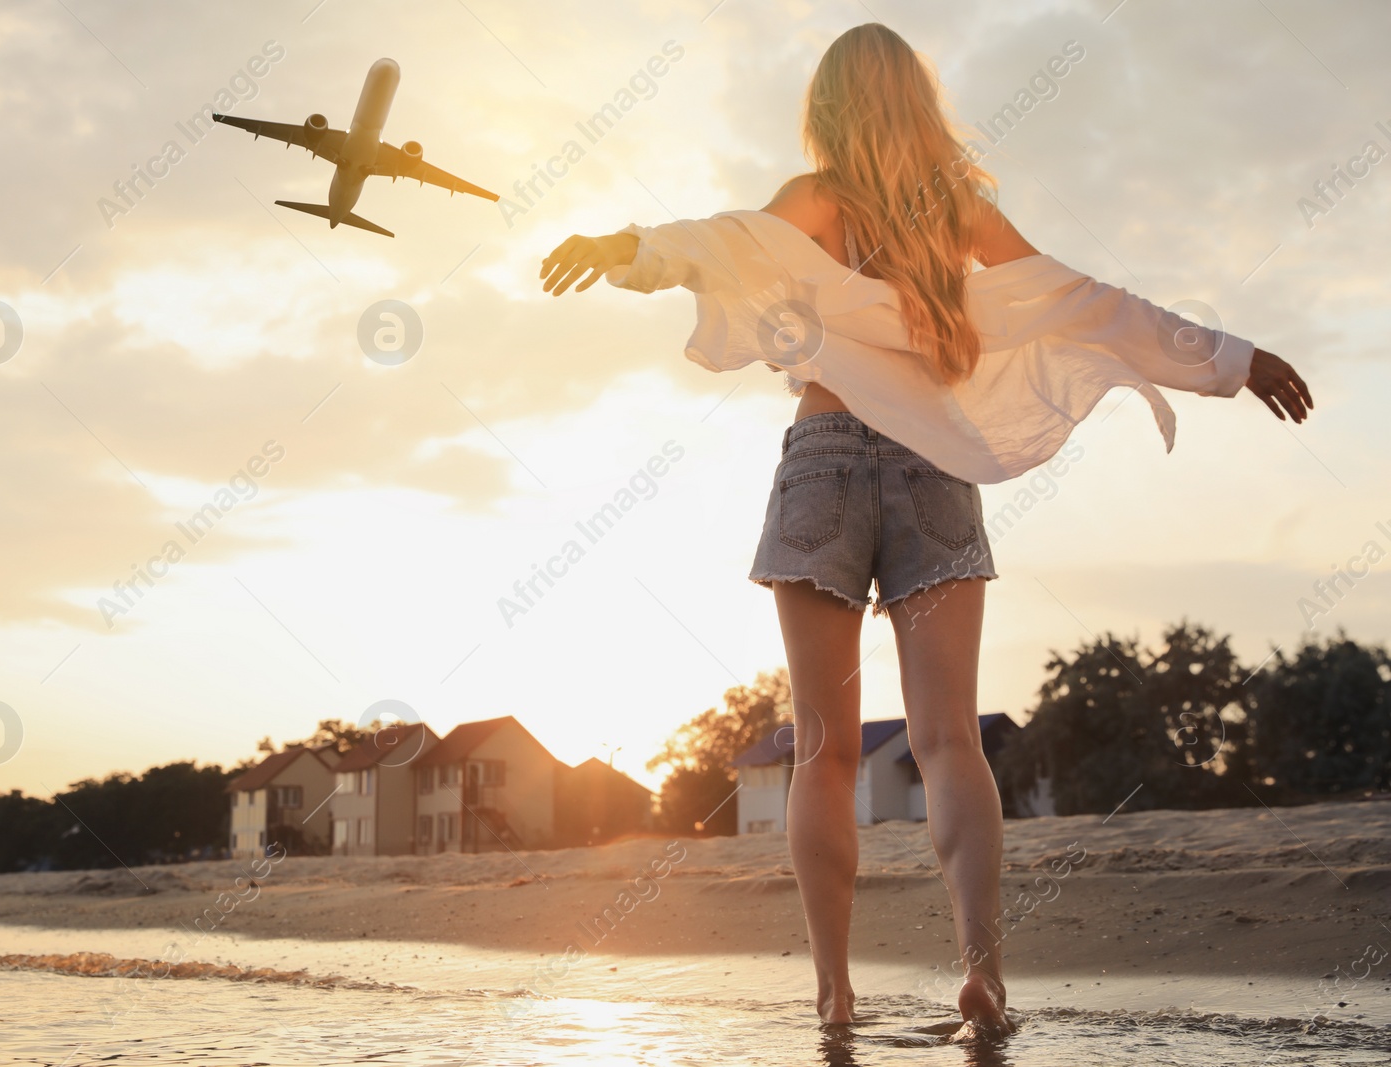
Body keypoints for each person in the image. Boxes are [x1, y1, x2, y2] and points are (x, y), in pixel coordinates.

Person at [538, 23, 1312, 1039]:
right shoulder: (956, 210)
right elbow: (1084, 302)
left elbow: (719, 240)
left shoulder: (813, 199)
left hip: (822, 461)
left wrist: (631, 249)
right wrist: (1229, 357)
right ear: (917, 103)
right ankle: (981, 975)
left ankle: (833, 991)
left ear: (826, 109)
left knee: (820, 747)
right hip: (934, 466)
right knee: (950, 740)